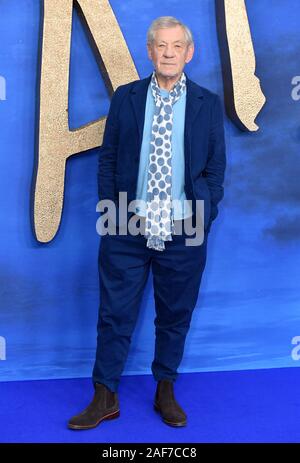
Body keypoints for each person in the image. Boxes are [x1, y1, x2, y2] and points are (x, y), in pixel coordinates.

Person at [68, 15, 226, 430]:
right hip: (126, 223)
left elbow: (215, 169)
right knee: (113, 313)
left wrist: (204, 215)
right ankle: (104, 395)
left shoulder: (208, 104)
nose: (168, 53)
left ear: (189, 53)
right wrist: (111, 207)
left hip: (184, 228)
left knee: (175, 313)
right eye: (161, 45)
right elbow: (108, 158)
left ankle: (165, 389)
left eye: (177, 46)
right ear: (150, 50)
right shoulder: (127, 97)